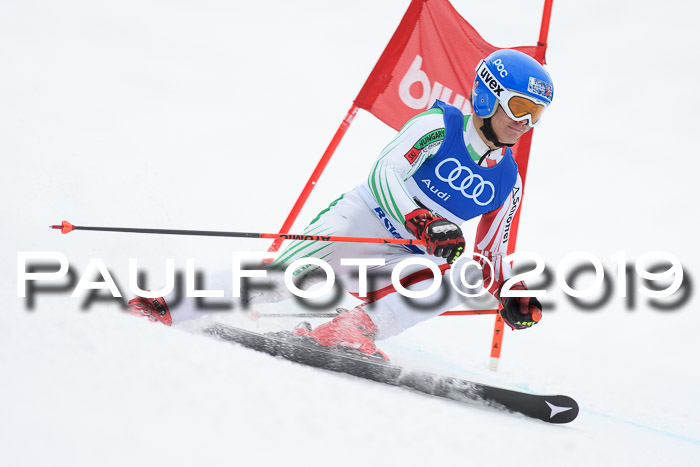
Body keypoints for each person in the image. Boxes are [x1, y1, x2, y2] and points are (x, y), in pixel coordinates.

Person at [129, 49, 552, 359]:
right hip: (363, 222)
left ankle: (350, 329)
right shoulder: (438, 126)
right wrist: (419, 218)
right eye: (519, 106)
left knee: (468, 275)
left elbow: (490, 255)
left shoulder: (508, 180)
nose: (525, 122)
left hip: (405, 259)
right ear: (487, 94)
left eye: (537, 113)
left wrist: (508, 289)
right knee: (282, 281)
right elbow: (384, 174)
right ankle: (165, 305)